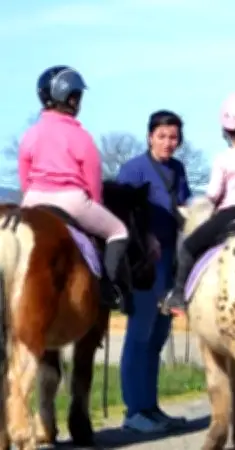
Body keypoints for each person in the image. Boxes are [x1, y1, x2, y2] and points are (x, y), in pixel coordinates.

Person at [19, 65, 130, 308]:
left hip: (33, 199)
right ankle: (108, 289)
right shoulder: (81, 136)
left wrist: (31, 195)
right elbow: (92, 179)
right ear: (70, 98)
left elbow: (25, 174)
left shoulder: (31, 133)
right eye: (77, 96)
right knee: (118, 231)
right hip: (71, 200)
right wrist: (97, 205)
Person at [161, 92, 235, 314]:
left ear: (227, 127)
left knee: (188, 247)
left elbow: (214, 193)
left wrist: (215, 204)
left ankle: (178, 296)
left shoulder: (223, 158)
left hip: (228, 217)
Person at [117, 109, 191, 432]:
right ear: (149, 137)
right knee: (139, 334)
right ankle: (134, 411)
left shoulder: (178, 169)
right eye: (161, 136)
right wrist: (144, 237)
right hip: (144, 265)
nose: (168, 143)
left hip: (173, 262)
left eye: (173, 137)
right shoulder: (133, 170)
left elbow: (185, 208)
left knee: (159, 336)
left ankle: (150, 406)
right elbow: (120, 215)